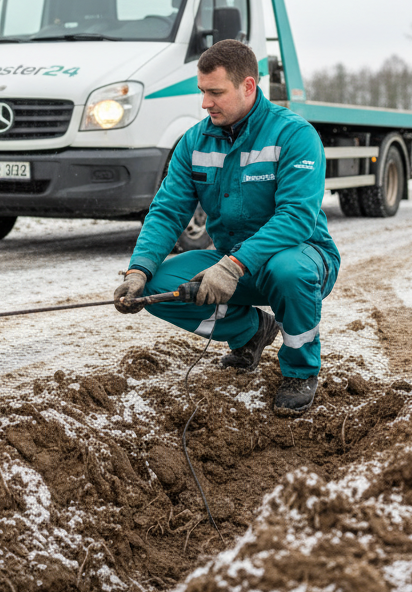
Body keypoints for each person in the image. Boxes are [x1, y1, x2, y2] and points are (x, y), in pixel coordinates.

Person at [114, 39, 340, 413]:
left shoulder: (294, 136)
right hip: (229, 260)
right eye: (202, 92)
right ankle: (251, 332)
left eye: (215, 92)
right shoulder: (194, 141)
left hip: (300, 256)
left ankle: (300, 370)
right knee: (157, 286)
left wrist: (233, 265)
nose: (205, 103)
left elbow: (296, 217)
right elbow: (167, 211)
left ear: (248, 86)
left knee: (288, 272)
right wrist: (139, 269)